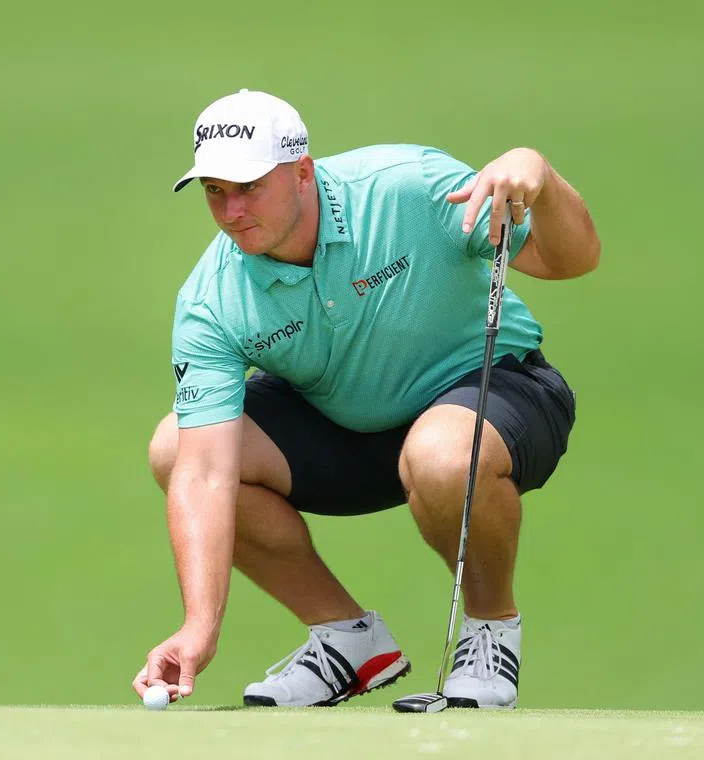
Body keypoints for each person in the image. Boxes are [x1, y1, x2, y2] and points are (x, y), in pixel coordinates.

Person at [131, 89, 599, 709]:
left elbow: (573, 260)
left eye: (248, 186)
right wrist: (200, 626)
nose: (232, 209)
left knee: (437, 455)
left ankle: (490, 631)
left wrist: (539, 173)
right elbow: (204, 473)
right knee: (176, 446)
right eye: (215, 190)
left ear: (302, 172)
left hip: (497, 389)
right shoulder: (211, 299)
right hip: (350, 426)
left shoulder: (409, 188)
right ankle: (348, 640)